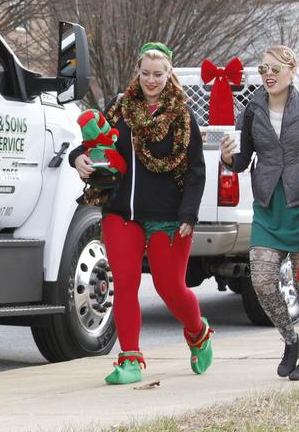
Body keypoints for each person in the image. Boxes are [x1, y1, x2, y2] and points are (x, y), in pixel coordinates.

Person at [70, 42, 211, 385]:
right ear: (138, 72)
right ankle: (130, 359)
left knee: (170, 288)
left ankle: (198, 333)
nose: (151, 80)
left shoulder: (182, 116)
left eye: (158, 74)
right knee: (127, 283)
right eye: (145, 73)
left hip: (168, 216)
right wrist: (79, 158)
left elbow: (195, 170)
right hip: (121, 211)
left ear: (169, 74)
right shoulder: (122, 109)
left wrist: (189, 216)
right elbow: (98, 142)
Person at [221, 45, 299, 381]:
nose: (268, 74)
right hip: (269, 206)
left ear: (291, 70)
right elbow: (240, 161)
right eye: (263, 69)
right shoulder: (252, 111)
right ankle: (290, 339)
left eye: (275, 68)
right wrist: (228, 156)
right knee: (262, 280)